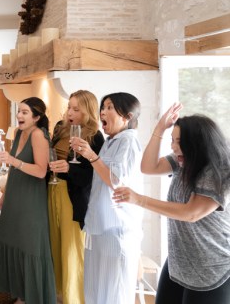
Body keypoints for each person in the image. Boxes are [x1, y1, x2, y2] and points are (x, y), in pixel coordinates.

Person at [115, 103, 230, 303]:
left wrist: (139, 199)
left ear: (196, 143)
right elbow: (148, 167)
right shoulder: (183, 161)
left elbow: (191, 213)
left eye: (178, 141)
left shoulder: (214, 171)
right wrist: (160, 129)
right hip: (180, 259)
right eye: (172, 140)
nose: (173, 147)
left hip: (211, 266)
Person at [70, 92, 143, 304]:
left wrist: (91, 156)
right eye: (103, 107)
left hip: (117, 230)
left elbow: (117, 181)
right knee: (94, 292)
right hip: (99, 227)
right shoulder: (111, 141)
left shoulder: (128, 141)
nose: (103, 111)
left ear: (127, 117)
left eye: (110, 107)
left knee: (114, 294)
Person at [0, 97, 57, 304]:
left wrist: (12, 160)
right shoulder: (19, 133)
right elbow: (12, 170)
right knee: (13, 243)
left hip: (31, 201)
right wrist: (5, 193)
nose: (19, 115)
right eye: (19, 111)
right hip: (15, 197)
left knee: (29, 248)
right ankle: (20, 295)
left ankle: (31, 298)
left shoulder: (38, 135)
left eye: (25, 112)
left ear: (37, 117)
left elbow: (40, 171)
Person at [48, 90, 104, 304]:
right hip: (52, 191)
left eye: (76, 109)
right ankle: (59, 297)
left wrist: (68, 170)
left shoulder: (94, 136)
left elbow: (93, 175)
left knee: (72, 252)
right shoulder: (60, 129)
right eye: (69, 107)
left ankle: (75, 300)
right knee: (55, 248)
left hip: (73, 198)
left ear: (87, 111)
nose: (69, 112)